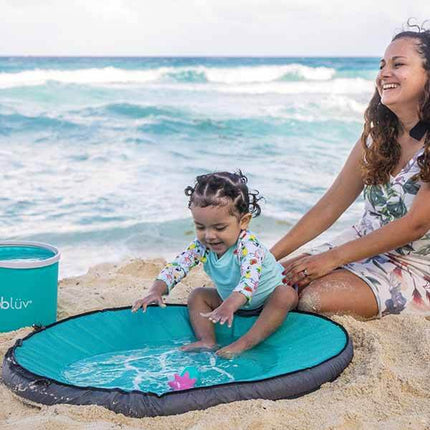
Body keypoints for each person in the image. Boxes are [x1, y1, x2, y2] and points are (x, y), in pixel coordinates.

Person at [271, 25, 430, 319]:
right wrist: (269, 258)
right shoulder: (376, 137)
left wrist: (330, 259)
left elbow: (415, 225)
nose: (384, 73)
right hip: (356, 245)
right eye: (382, 65)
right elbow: (330, 206)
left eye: (398, 64)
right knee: (273, 284)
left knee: (313, 299)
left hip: (416, 267)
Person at [132, 171, 297, 357]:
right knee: (198, 296)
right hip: (230, 301)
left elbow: (249, 280)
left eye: (219, 228)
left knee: (286, 295)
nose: (209, 235)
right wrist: (156, 291)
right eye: (200, 227)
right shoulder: (202, 245)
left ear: (243, 221)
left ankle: (245, 342)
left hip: (266, 298)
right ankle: (207, 340)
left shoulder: (248, 246)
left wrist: (230, 305)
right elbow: (176, 267)